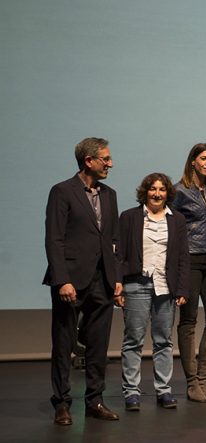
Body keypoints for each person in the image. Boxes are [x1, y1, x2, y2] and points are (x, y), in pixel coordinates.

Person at [43, 137, 122, 425]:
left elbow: (113, 240)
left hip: (102, 281)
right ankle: (62, 403)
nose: (110, 163)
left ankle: (95, 401)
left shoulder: (109, 194)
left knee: (99, 345)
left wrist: (117, 279)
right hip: (71, 282)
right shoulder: (62, 192)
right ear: (89, 161)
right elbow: (54, 239)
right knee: (64, 343)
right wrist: (62, 279)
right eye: (105, 158)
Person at [117, 173, 189, 410]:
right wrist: (118, 285)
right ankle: (131, 392)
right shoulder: (129, 217)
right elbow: (119, 255)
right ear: (145, 191)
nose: (157, 194)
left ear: (168, 193)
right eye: (152, 189)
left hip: (166, 287)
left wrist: (181, 288)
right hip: (136, 285)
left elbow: (182, 258)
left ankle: (164, 391)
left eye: (162, 189)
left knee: (163, 342)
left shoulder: (177, 220)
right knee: (133, 341)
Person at [172, 143, 206, 403]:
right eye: (203, 158)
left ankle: (204, 380)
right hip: (190, 261)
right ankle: (192, 383)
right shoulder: (179, 191)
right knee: (189, 322)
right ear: (192, 161)